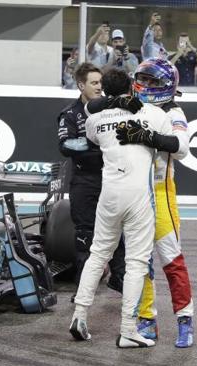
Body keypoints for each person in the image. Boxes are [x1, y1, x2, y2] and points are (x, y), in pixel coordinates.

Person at [86, 58, 195, 348]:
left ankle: (185, 320)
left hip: (160, 192)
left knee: (171, 259)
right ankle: (146, 319)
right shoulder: (131, 102)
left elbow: (182, 147)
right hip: (134, 192)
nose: (146, 86)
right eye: (143, 79)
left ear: (168, 86)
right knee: (140, 263)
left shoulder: (173, 110)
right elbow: (91, 108)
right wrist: (113, 103)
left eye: (154, 82)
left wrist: (150, 137)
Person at [69, 68, 173, 348]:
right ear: (132, 86)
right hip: (138, 195)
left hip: (109, 193)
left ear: (105, 88)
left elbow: (92, 126)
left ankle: (79, 315)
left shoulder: (96, 118)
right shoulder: (153, 114)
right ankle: (128, 329)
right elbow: (177, 147)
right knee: (137, 261)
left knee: (97, 254)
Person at [57, 63, 126, 302]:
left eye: (101, 83)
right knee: (85, 236)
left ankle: (120, 279)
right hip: (85, 182)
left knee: (118, 232)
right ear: (81, 85)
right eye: (94, 83)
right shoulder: (70, 114)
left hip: (112, 179)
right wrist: (97, 144)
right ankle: (84, 288)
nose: (99, 87)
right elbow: (66, 146)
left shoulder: (110, 110)